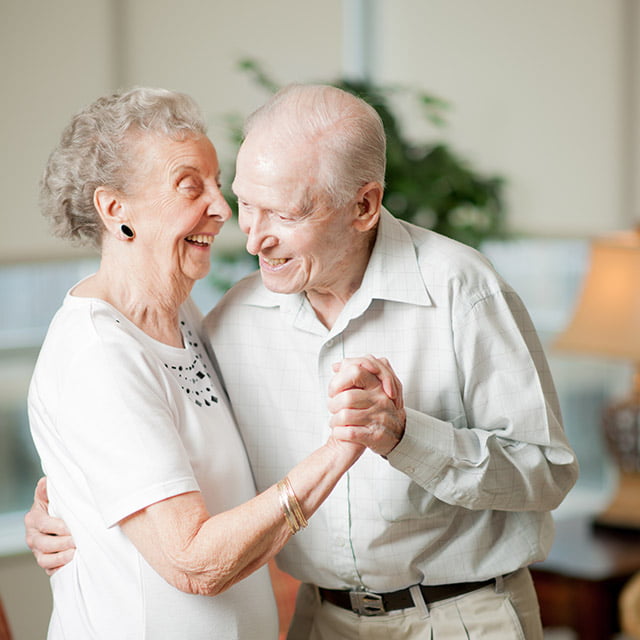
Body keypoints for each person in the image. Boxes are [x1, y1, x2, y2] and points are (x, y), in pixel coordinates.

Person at [27, 84, 579, 639]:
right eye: (246, 203)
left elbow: (548, 472)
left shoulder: (462, 291)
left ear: (363, 206)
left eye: (284, 213)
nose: (249, 238)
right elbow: (143, 465)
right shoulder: (230, 320)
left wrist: (406, 436)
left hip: (464, 617)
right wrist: (69, 507)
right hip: (324, 621)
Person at [26, 86, 399, 639]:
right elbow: (193, 562)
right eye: (189, 186)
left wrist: (72, 492)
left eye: (217, 184)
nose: (224, 209)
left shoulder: (185, 317)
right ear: (115, 209)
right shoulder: (98, 352)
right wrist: (343, 446)